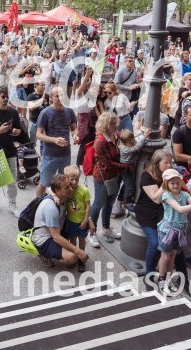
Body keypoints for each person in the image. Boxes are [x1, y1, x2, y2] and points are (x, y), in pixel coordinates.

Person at [88, 111, 128, 248]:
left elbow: (129, 138)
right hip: (103, 178)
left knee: (109, 203)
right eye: (112, 123)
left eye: (116, 122)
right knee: (98, 204)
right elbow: (107, 164)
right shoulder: (100, 141)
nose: (116, 125)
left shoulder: (114, 136)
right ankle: (91, 232)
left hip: (114, 176)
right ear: (105, 124)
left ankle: (106, 229)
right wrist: (126, 167)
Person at [0, 86, 25, 215]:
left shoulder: (13, 112)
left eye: (7, 96)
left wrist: (16, 131)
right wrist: (0, 131)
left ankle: (12, 204)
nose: (5, 99)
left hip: (10, 150)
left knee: (12, 180)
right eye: (3, 97)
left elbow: (19, 130)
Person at [32, 174, 89, 267]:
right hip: (44, 238)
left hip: (57, 229)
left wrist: (88, 220)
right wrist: (78, 251)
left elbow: (82, 207)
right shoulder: (51, 207)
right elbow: (56, 237)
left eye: (70, 185)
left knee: (72, 235)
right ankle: (43, 253)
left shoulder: (65, 196)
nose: (71, 188)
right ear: (58, 191)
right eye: (67, 187)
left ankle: (59, 249)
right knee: (72, 257)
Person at [35, 87, 78, 197]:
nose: (60, 98)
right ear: (51, 98)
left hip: (65, 154)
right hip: (50, 155)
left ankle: (62, 206)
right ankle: (37, 205)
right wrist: (54, 140)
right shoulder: (45, 113)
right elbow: (38, 134)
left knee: (65, 183)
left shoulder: (69, 111)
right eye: (57, 96)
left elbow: (74, 128)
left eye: (62, 95)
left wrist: (75, 136)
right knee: (44, 183)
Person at [63, 166, 92, 272]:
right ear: (67, 179)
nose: (75, 182)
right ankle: (75, 255)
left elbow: (88, 206)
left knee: (82, 239)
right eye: (72, 179)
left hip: (82, 221)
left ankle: (81, 258)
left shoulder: (84, 191)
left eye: (77, 179)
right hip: (71, 221)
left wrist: (86, 221)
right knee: (73, 240)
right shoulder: (67, 191)